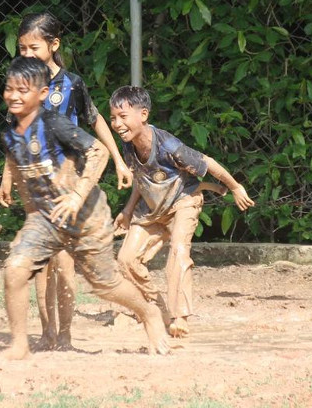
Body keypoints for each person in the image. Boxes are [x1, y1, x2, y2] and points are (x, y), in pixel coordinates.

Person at [0, 57, 169, 360]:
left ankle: (149, 312)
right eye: (10, 89)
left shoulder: (53, 123)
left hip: (86, 215)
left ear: (41, 95)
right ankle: (20, 344)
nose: (14, 96)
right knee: (15, 269)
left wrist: (76, 196)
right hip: (47, 218)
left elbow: (98, 151)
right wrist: (31, 215)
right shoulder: (12, 133)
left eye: (23, 90)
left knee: (105, 285)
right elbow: (21, 173)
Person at [0, 12, 133, 351]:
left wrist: (118, 160)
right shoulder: (20, 82)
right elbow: (17, 135)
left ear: (54, 45)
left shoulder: (71, 84)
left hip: (70, 182)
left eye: (34, 47)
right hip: (37, 183)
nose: (26, 53)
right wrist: (7, 176)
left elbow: (95, 119)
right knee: (39, 264)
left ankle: (66, 335)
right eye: (22, 47)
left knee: (64, 264)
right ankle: (47, 332)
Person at [109, 85, 255, 338]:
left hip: (183, 201)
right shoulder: (129, 145)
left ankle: (179, 317)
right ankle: (156, 307)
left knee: (178, 251)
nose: (117, 123)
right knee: (125, 260)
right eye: (113, 118)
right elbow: (140, 180)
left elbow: (207, 162)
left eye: (123, 117)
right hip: (152, 208)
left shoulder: (168, 145)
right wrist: (127, 210)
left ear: (143, 115)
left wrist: (235, 187)